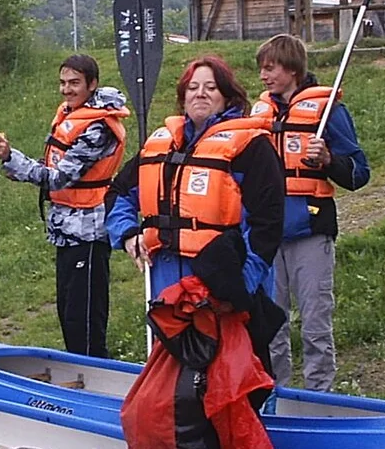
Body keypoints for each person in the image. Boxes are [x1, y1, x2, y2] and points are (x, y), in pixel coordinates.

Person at [106, 56, 285, 448]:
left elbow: (267, 225)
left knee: (234, 386)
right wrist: (128, 233)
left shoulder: (250, 147)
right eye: (192, 87)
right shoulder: (162, 145)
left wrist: (240, 287)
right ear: (182, 96)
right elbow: (118, 194)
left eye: (210, 87)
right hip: (170, 291)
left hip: (225, 292)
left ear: (226, 96)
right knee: (177, 392)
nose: (200, 94)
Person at [0, 54, 128, 358]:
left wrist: (12, 158)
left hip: (89, 231)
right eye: (63, 83)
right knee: (67, 312)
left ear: (92, 85)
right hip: (66, 229)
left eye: (75, 83)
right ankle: (78, 371)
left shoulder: (98, 129)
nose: (67, 89)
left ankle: (95, 377)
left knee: (85, 319)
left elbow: (60, 178)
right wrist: (16, 166)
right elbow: (50, 165)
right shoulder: (69, 114)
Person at [252, 34, 370, 392]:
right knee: (271, 325)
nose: (263, 76)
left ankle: (319, 396)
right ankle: (275, 395)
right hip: (268, 236)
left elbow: (359, 173)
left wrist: (329, 160)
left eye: (270, 68)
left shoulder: (327, 111)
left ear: (291, 68)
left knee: (316, 323)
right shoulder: (259, 114)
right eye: (261, 69)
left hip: (311, 230)